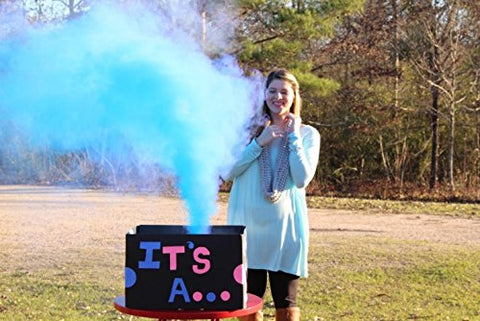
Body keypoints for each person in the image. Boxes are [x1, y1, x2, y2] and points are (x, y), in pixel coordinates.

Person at [224, 68, 321, 321]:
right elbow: (228, 171)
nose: (278, 97)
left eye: (284, 92)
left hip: (285, 233)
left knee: (286, 306)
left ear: (294, 96)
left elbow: (301, 178)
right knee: (247, 304)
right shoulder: (246, 131)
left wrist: (294, 138)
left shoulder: (308, 134)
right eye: (272, 91)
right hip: (248, 232)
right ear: (264, 94)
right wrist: (259, 143)